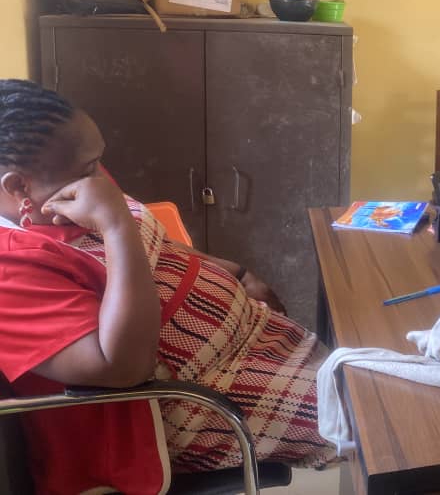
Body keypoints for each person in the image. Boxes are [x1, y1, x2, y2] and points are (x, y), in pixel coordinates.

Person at [0, 80, 338, 494]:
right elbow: (122, 368)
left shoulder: (68, 182)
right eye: (90, 168)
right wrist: (115, 224)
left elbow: (156, 243)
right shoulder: (8, 270)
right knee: (379, 416)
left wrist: (237, 273)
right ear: (18, 187)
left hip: (260, 344)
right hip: (197, 400)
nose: (101, 177)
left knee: (379, 385)